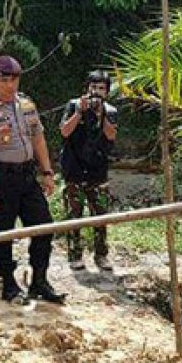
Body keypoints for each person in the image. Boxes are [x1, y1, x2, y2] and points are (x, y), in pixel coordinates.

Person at [0, 55, 63, 304]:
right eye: (4, 80)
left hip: (27, 176)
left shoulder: (26, 106)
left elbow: (38, 138)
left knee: (44, 226)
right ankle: (9, 283)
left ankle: (39, 280)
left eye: (14, 79)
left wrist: (46, 172)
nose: (10, 85)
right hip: (1, 178)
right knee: (1, 233)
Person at [59, 70, 118, 271]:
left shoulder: (110, 111)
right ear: (87, 89)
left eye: (101, 88)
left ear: (107, 92)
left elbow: (111, 137)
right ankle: (75, 255)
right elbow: (65, 131)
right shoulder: (74, 105)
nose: (96, 92)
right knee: (73, 215)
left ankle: (101, 255)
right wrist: (79, 113)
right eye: (93, 87)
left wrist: (101, 115)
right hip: (74, 169)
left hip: (97, 171)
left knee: (100, 215)